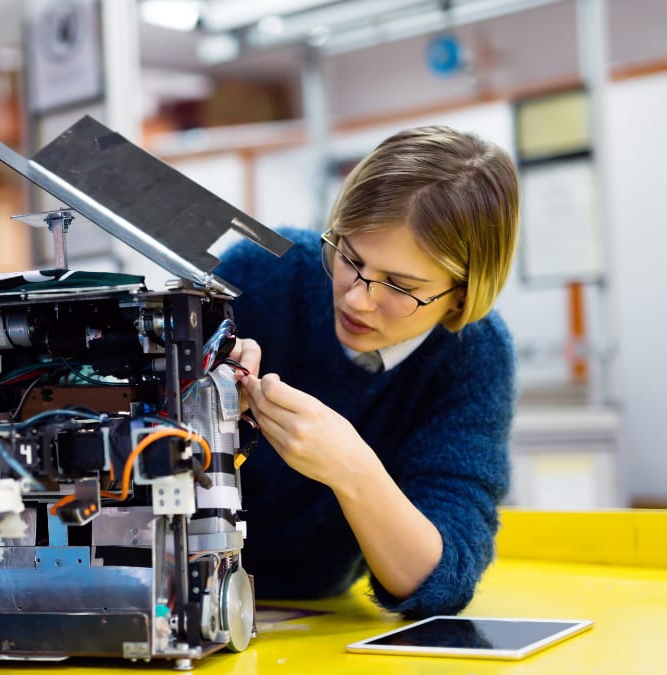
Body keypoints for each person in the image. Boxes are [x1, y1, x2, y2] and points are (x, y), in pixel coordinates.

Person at [217, 125, 519, 618]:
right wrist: (200, 385)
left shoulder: (474, 356)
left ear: (462, 295)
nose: (357, 299)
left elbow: (440, 578)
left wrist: (350, 468)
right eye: (350, 258)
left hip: (315, 613)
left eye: (401, 286)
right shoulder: (261, 270)